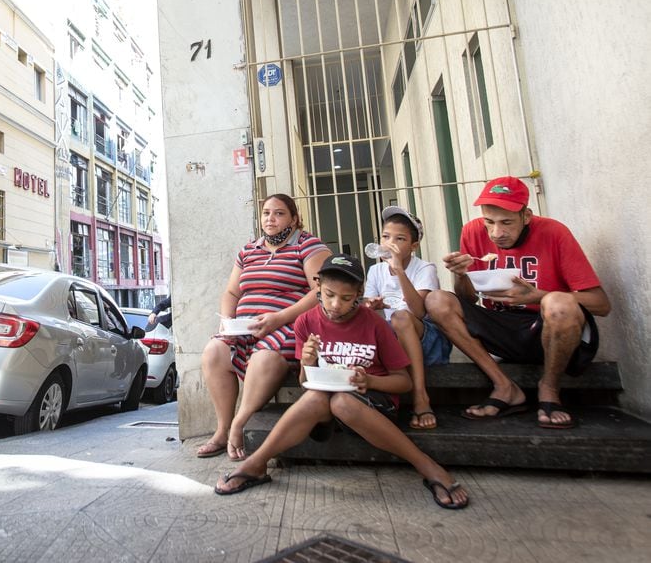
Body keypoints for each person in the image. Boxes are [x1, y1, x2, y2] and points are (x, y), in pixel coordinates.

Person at [213, 254, 469, 509]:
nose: (336, 305)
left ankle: (428, 466)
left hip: (372, 405)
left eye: (346, 299)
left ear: (359, 293)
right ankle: (257, 463)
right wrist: (308, 361)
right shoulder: (306, 321)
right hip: (325, 407)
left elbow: (403, 383)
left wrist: (368, 380)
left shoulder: (375, 324)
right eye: (329, 294)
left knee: (343, 403)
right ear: (318, 289)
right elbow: (305, 381)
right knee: (318, 397)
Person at [425, 176, 611, 429]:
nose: (496, 233)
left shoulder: (554, 232)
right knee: (437, 300)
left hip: (547, 328)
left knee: (558, 302)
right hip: (500, 328)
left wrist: (539, 296)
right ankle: (504, 386)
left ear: (527, 216)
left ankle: (549, 389)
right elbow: (468, 299)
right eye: (489, 221)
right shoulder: (472, 231)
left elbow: (601, 304)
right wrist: (460, 275)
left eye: (506, 223)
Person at [196, 193, 331, 461]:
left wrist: (279, 318)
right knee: (213, 351)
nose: (271, 218)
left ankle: (240, 424)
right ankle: (222, 430)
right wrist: (227, 321)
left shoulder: (307, 245)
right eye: (267, 212)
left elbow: (320, 291)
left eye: (279, 213)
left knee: (264, 357)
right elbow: (232, 292)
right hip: (244, 328)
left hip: (287, 325)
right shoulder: (249, 250)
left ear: (294, 218)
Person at [362, 206, 452, 430]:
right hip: (393, 342)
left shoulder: (424, 269)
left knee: (401, 318)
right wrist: (372, 306)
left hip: (427, 342)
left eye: (399, 238)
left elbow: (419, 312)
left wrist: (399, 271)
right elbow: (366, 308)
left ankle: (420, 398)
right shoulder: (375, 272)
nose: (390, 243)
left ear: (413, 246)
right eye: (385, 237)